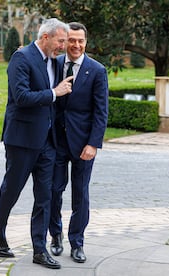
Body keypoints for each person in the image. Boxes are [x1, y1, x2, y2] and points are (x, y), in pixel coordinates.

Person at [0, 18, 74, 270]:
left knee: (44, 196)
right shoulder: (21, 58)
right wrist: (53, 93)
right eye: (60, 41)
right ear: (45, 37)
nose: (63, 46)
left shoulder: (55, 62)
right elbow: (21, 96)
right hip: (22, 140)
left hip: (47, 141)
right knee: (11, 190)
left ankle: (39, 249)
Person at [49, 22, 109, 263]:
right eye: (70, 40)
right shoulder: (53, 65)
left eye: (79, 41)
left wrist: (93, 144)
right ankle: (55, 236)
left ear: (86, 42)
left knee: (80, 194)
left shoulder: (96, 70)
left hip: (84, 143)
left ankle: (77, 242)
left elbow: (101, 111)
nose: (75, 45)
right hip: (56, 141)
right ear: (64, 42)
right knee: (53, 190)